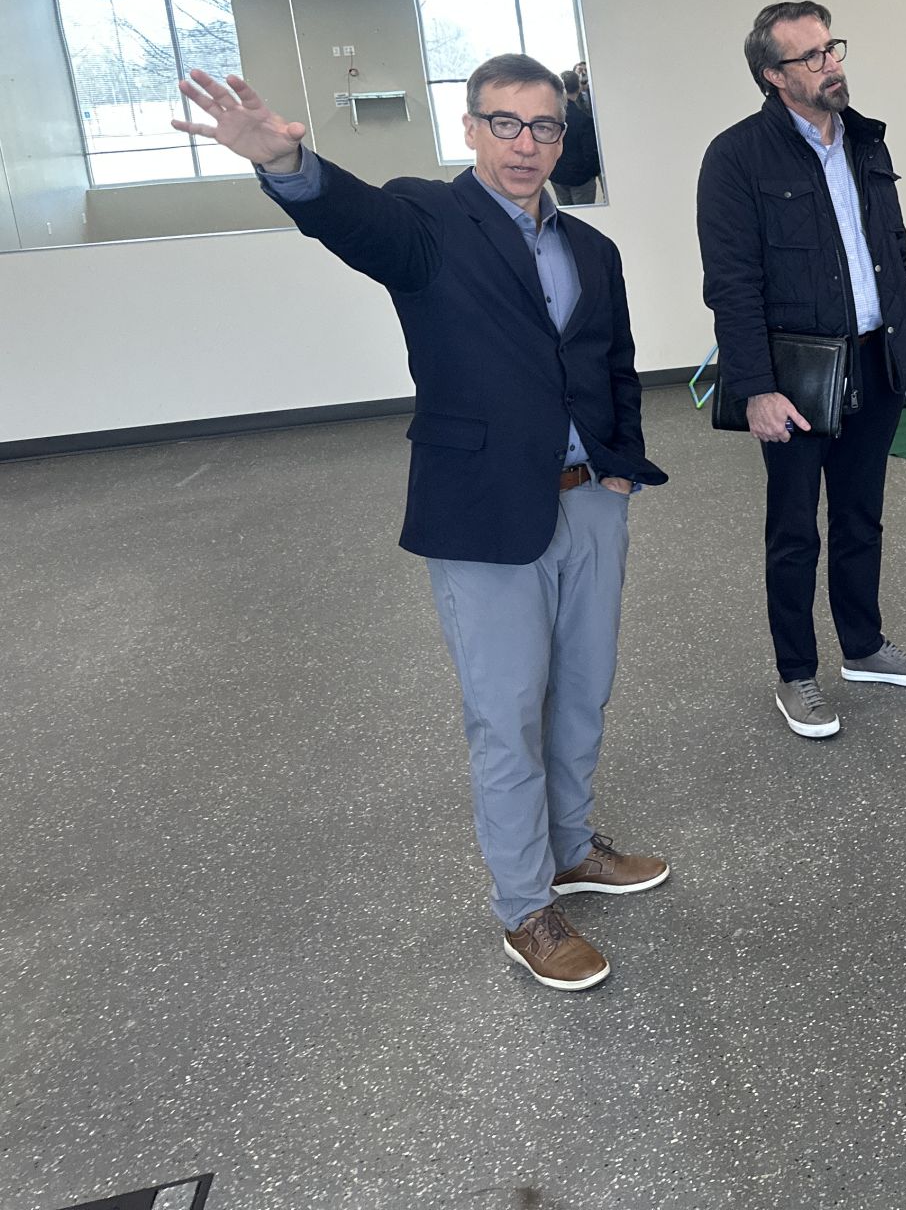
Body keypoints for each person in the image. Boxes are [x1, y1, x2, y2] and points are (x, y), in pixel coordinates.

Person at [174, 55, 670, 994]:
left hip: (589, 502)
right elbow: (352, 220)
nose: (528, 145)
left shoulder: (591, 250)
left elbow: (613, 365)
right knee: (507, 712)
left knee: (581, 693)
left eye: (546, 127)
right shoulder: (430, 223)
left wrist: (620, 475)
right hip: (482, 512)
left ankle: (571, 846)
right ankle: (525, 905)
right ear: (472, 129)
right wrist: (288, 167)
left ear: (565, 137)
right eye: (507, 124)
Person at [697, 1, 906, 740]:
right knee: (794, 529)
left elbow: (890, 245)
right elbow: (731, 284)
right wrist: (755, 389)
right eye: (809, 57)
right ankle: (796, 673)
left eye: (831, 47)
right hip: (797, 374)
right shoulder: (736, 157)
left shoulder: (865, 139)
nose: (830, 63)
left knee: (861, 516)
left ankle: (864, 647)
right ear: (772, 76)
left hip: (876, 356)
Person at [551, 67, 601, 205]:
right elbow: (590, 152)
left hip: (557, 174)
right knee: (584, 217)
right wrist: (592, 173)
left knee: (566, 216)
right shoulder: (583, 119)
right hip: (580, 178)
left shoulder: (549, 117)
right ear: (578, 88)